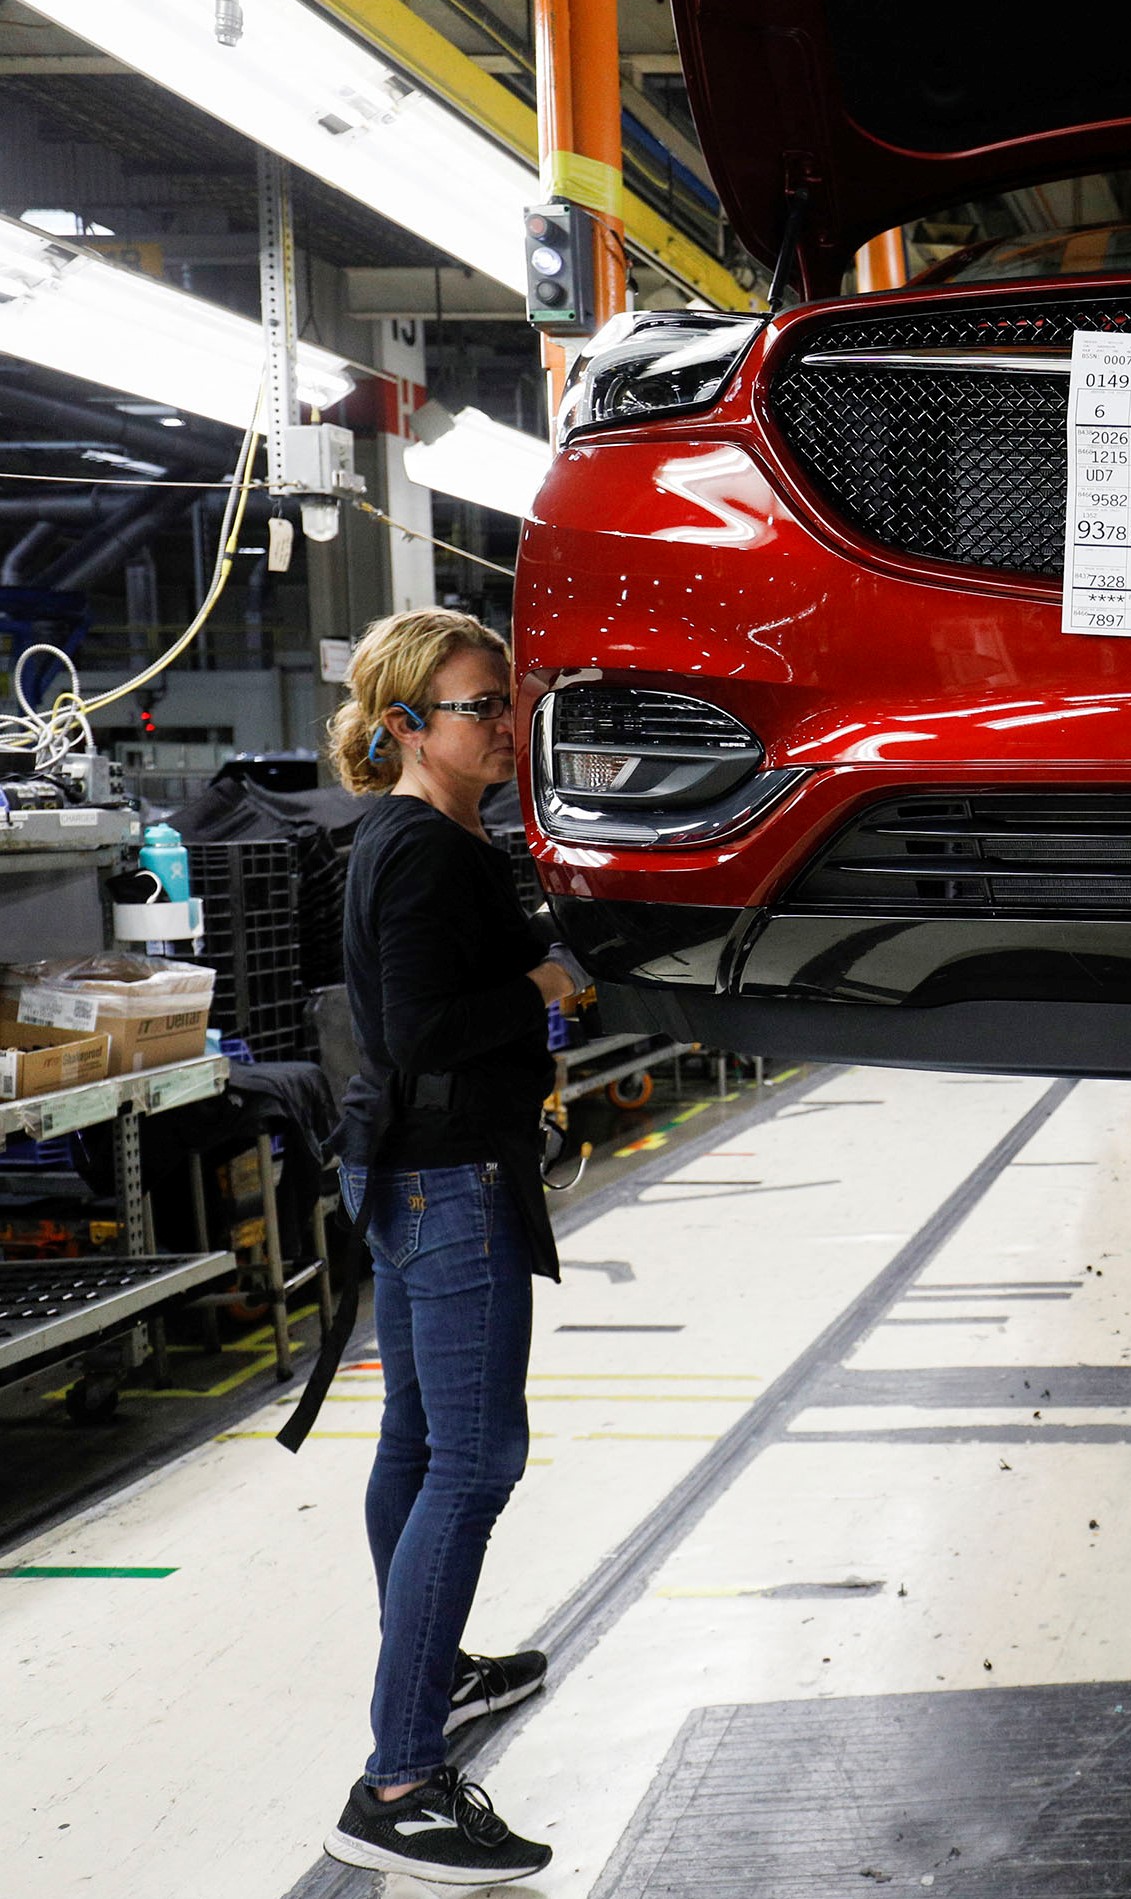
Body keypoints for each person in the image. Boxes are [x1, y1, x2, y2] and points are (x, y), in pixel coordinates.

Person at [319, 609, 587, 1886]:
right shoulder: (423, 850)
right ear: (409, 724)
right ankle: (402, 1780)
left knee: (419, 1446)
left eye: (506, 703)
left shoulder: (423, 836)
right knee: (473, 1464)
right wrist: (539, 991)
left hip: (415, 1170)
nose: (505, 725)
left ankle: (429, 1669)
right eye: (483, 706)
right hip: (446, 1185)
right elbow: (425, 1026)